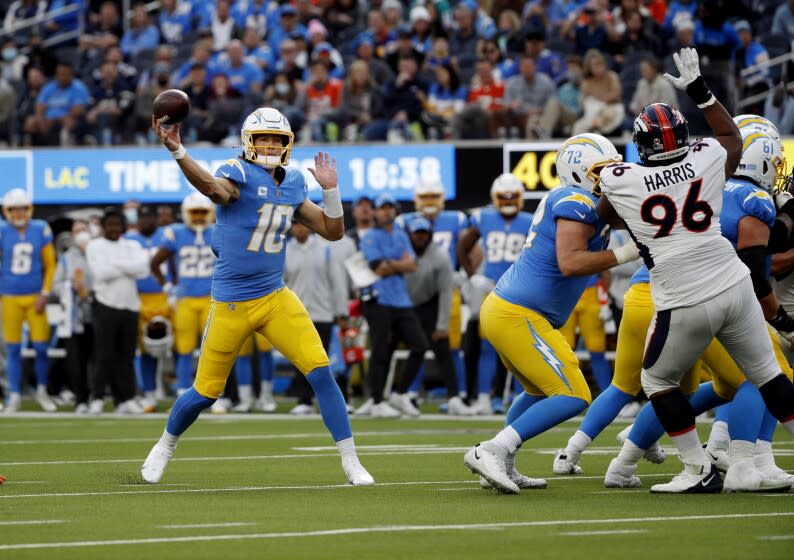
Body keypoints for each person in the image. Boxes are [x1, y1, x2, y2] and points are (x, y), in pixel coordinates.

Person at [596, 48, 794, 493]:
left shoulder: (621, 177)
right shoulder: (705, 157)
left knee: (657, 380)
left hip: (682, 295)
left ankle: (696, 469)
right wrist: (701, 91)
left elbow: (605, 214)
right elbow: (732, 139)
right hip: (735, 283)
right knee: (770, 376)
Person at [142, 107, 373, 486]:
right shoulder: (237, 172)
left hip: (275, 296)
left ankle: (350, 460)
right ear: (249, 141)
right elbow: (213, 189)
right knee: (205, 393)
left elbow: (333, 232)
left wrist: (330, 191)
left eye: (276, 139)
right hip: (232, 302)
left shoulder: (295, 182)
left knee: (321, 371)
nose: (269, 144)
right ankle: (165, 445)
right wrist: (178, 151)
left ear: (287, 144)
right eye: (263, 138)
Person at [462, 133, 637, 494]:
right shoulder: (573, 198)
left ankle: (503, 464)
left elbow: (620, 212)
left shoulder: (589, 202)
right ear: (580, 174)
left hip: (515, 310)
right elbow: (570, 262)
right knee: (574, 394)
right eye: (603, 170)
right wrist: (628, 253)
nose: (612, 176)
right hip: (518, 312)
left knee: (540, 392)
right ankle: (492, 450)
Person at [457, 174, 533, 414]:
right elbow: (462, 247)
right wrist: (470, 275)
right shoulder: (484, 217)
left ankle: (516, 395)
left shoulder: (531, 220)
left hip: (518, 286)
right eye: (504, 196)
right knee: (487, 342)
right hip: (490, 285)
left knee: (519, 343)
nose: (508, 200)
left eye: (512, 196)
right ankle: (484, 398)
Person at [396, 179, 468, 405]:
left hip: (447, 287)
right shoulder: (403, 222)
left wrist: (468, 272)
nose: (429, 202)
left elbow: (471, 247)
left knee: (451, 344)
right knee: (415, 346)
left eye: (432, 197)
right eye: (424, 197)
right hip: (413, 291)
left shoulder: (457, 219)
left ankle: (460, 393)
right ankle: (409, 392)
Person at [356, 193, 428, 417]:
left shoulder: (400, 233)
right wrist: (400, 264)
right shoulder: (370, 237)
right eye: (382, 208)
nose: (387, 211)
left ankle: (399, 393)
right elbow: (378, 267)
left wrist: (392, 264)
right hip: (379, 299)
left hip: (400, 299)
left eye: (390, 207)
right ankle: (377, 400)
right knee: (380, 349)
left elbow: (412, 265)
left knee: (419, 345)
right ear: (376, 212)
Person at [403, 217, 472, 415]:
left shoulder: (440, 255)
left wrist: (442, 325)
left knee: (444, 349)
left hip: (430, 304)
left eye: (423, 233)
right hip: (405, 304)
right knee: (411, 349)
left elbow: (445, 291)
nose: (420, 237)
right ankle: (402, 395)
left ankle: (454, 398)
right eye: (416, 233)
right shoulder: (402, 251)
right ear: (410, 234)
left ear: (429, 234)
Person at [86, 207, 151, 415]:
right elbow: (100, 273)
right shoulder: (94, 245)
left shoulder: (132, 244)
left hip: (130, 305)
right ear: (104, 226)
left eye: (117, 224)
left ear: (123, 226)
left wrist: (117, 265)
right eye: (110, 224)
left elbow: (144, 270)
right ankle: (97, 397)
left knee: (127, 355)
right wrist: (128, 267)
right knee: (103, 354)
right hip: (105, 304)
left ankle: (126, 398)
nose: (114, 228)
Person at [150, 193, 216, 396]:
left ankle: (213, 391)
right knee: (184, 349)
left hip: (211, 299)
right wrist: (167, 287)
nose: (198, 217)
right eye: (194, 212)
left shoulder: (216, 232)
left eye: (202, 212)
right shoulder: (176, 233)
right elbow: (155, 263)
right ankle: (182, 390)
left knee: (214, 348)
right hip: (185, 298)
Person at [284, 220, 349, 415]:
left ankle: (330, 400)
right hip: (297, 313)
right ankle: (304, 400)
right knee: (300, 359)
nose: (299, 228)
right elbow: (281, 282)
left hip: (323, 313)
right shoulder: (284, 250)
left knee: (324, 360)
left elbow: (337, 283)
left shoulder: (325, 249)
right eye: (295, 225)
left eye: (302, 224)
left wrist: (341, 311)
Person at [1, 189, 56, 412]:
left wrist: (44, 293)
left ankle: (41, 390)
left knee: (42, 347)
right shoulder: (3, 231)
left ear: (29, 208)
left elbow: (50, 264)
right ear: (7, 210)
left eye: (22, 208)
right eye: (14, 209)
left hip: (35, 297)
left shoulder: (40, 228)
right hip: (10, 296)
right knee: (13, 348)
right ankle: (14, 394)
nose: (18, 213)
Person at [125, 206, 170, 412]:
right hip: (140, 297)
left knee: (178, 347)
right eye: (143, 218)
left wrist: (175, 289)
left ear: (156, 218)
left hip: (166, 296)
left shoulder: (168, 235)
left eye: (150, 217)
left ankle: (184, 391)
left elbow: (176, 263)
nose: (146, 221)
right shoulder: (129, 239)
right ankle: (149, 394)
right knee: (146, 349)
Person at [53, 221, 94, 413]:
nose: (81, 234)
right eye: (77, 231)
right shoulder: (67, 257)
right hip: (74, 317)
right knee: (76, 360)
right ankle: (80, 399)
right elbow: (56, 285)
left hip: (97, 314)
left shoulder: (98, 252)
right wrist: (71, 288)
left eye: (84, 230)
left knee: (97, 359)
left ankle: (97, 396)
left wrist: (90, 293)